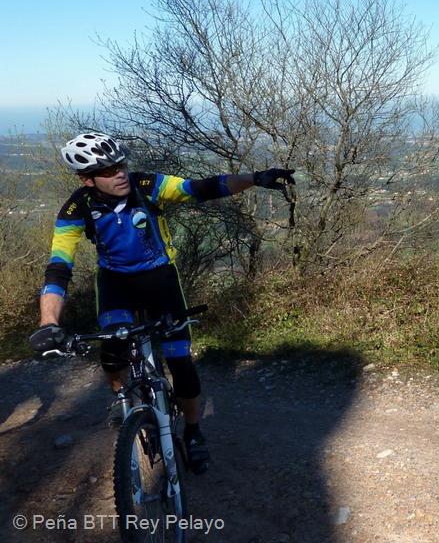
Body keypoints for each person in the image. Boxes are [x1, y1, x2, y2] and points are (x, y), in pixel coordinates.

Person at [28, 132, 294, 474]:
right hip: (115, 284)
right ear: (87, 180)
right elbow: (59, 267)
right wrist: (48, 323)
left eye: (121, 165)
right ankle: (121, 398)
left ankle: (193, 432)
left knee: (180, 362)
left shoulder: (146, 185)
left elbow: (199, 188)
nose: (120, 173)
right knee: (112, 351)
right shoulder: (76, 208)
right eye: (108, 171)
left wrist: (255, 178)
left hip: (160, 280)